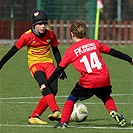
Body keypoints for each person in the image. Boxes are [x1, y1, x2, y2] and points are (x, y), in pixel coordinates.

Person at [41, 20, 133, 128]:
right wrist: (129, 59)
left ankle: (63, 122)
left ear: (72, 34)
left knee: (71, 99)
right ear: (85, 33)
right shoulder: (94, 43)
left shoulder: (71, 51)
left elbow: (58, 70)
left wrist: (46, 84)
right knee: (106, 97)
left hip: (88, 81)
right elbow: (113, 52)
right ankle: (113, 111)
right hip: (104, 77)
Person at [0, 10, 67, 124]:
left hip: (49, 64)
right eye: (40, 24)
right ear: (34, 24)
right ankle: (56, 111)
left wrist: (61, 69)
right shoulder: (27, 36)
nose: (43, 26)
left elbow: (56, 51)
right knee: (44, 85)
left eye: (45, 23)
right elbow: (13, 51)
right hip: (35, 65)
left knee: (54, 90)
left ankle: (34, 116)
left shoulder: (50, 34)